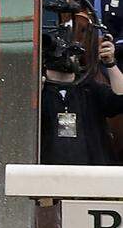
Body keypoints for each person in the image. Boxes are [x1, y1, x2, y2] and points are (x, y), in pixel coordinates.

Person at [40, 35, 123, 165]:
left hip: (90, 172)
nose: (67, 56)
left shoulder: (90, 89)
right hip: (45, 174)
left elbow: (120, 99)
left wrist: (110, 63)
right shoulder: (38, 91)